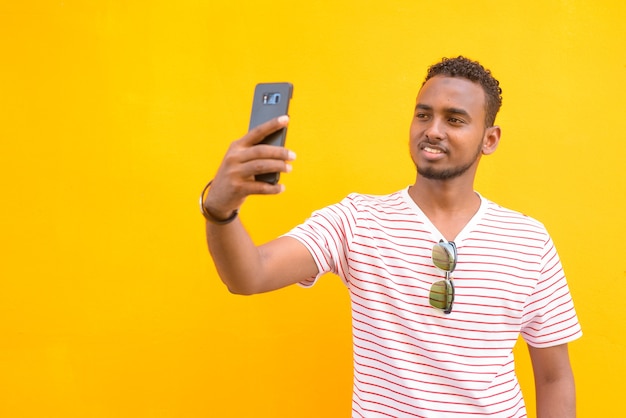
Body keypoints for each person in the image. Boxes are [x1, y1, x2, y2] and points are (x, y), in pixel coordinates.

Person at [200, 56, 582, 417]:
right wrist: (219, 210)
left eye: (454, 119)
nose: (433, 130)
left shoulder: (529, 240)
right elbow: (250, 275)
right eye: (423, 115)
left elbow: (554, 376)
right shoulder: (356, 220)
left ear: (490, 139)